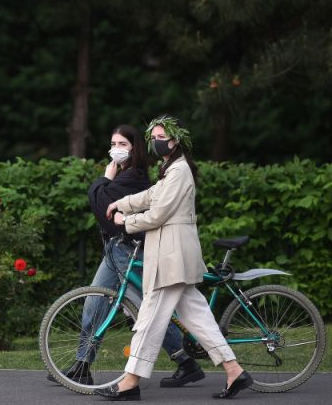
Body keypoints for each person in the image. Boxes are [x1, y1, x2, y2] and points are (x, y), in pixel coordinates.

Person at [97, 115, 252, 400]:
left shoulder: (179, 171)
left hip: (171, 259)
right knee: (199, 318)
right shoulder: (172, 169)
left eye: (160, 138)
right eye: (152, 138)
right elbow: (150, 195)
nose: (155, 143)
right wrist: (120, 202)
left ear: (175, 140)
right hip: (173, 258)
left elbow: (158, 214)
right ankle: (234, 371)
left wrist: (123, 221)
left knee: (149, 320)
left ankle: (130, 382)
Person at [47, 125, 205, 388]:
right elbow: (104, 209)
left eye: (122, 144)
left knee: (148, 308)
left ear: (135, 149)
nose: (116, 149)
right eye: (113, 144)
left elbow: (99, 204)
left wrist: (103, 181)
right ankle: (82, 365)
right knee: (95, 303)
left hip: (128, 249)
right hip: (115, 249)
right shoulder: (126, 175)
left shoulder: (134, 176)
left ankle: (185, 361)